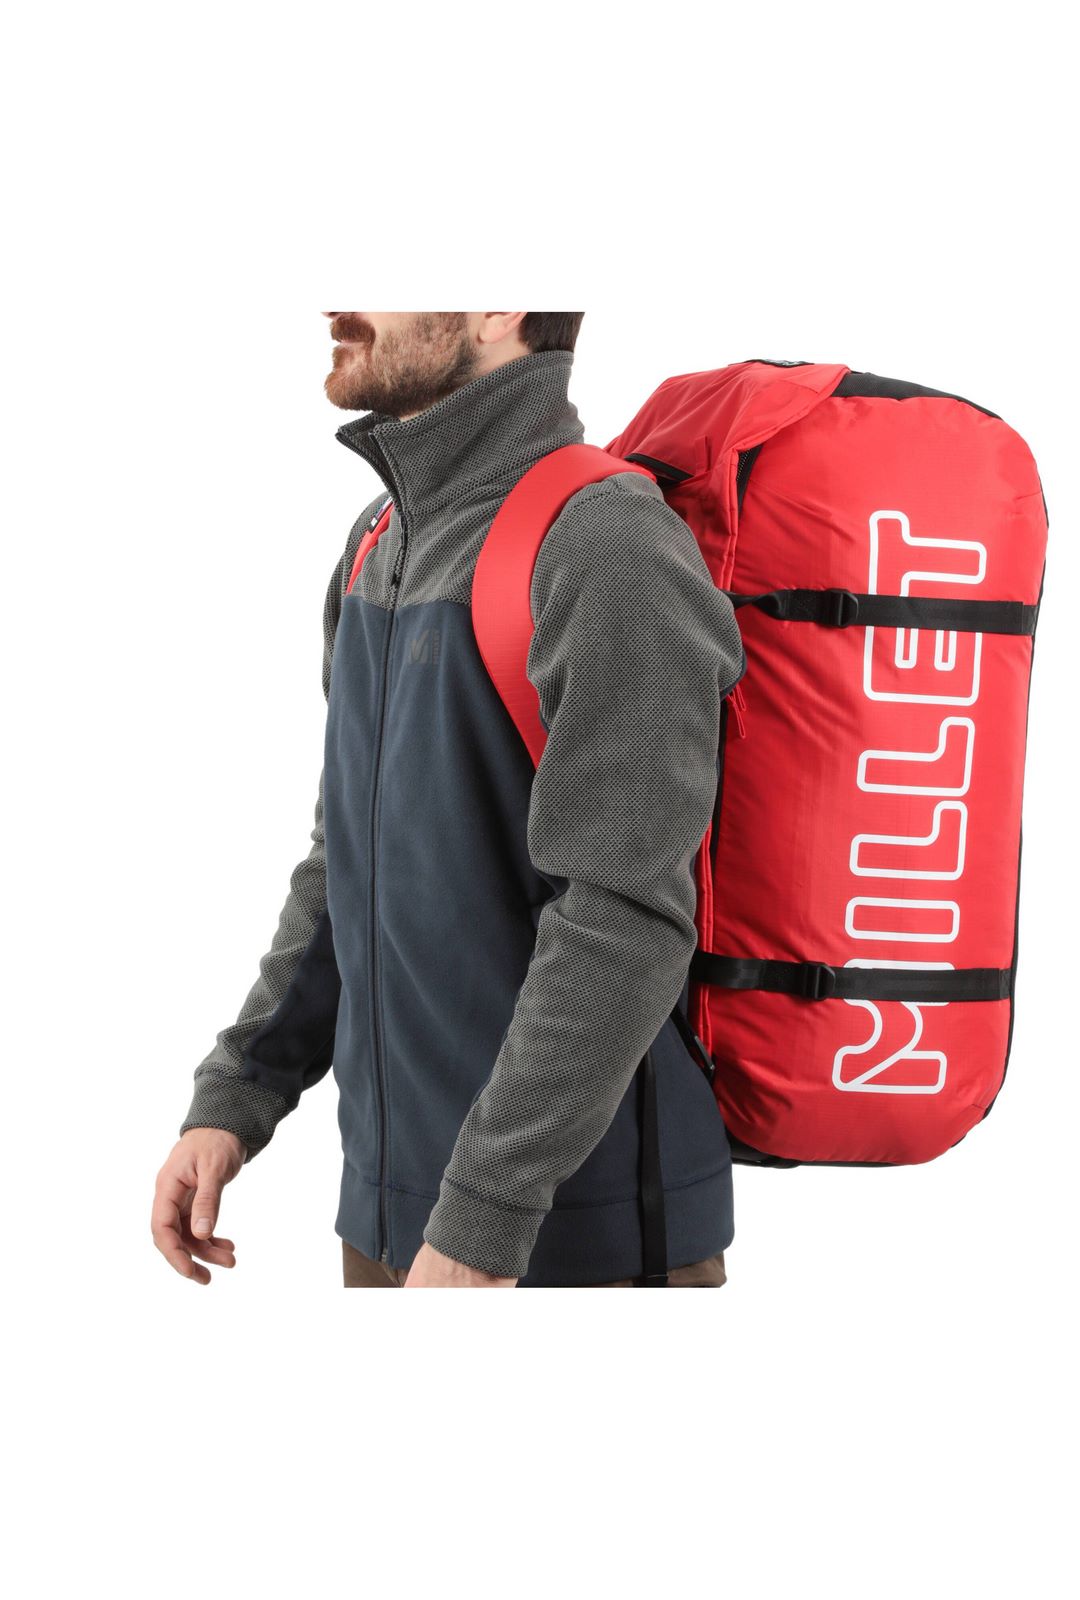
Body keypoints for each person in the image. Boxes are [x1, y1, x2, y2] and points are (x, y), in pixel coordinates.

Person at [151, 312, 747, 1288]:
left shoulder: (606, 543)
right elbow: (346, 862)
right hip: (395, 1226)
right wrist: (236, 1093)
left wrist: (483, 1220)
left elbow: (625, 918)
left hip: (568, 1245)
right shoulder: (378, 543)